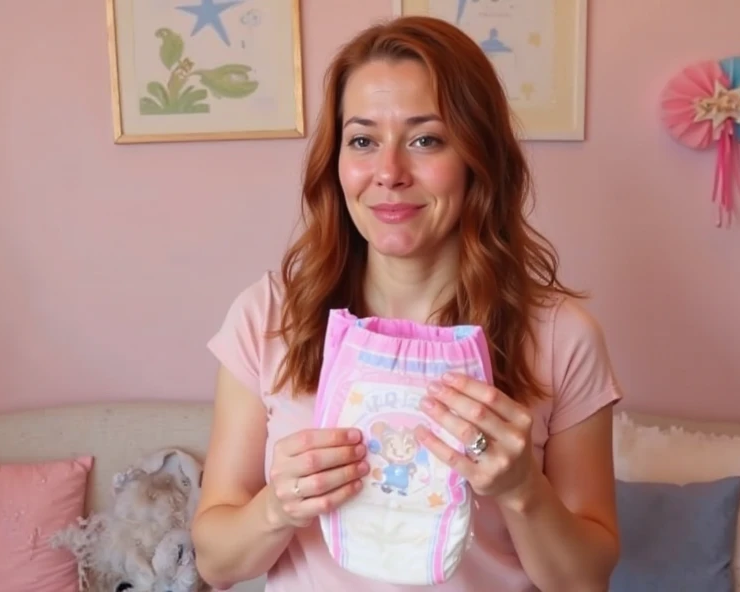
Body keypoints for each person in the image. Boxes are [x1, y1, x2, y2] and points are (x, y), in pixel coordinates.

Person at [192, 15, 623, 592]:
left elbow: (586, 581)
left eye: (426, 139)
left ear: (477, 158)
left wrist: (524, 490)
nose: (389, 173)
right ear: (335, 161)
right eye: (364, 140)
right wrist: (277, 508)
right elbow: (215, 563)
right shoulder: (267, 317)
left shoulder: (561, 336)